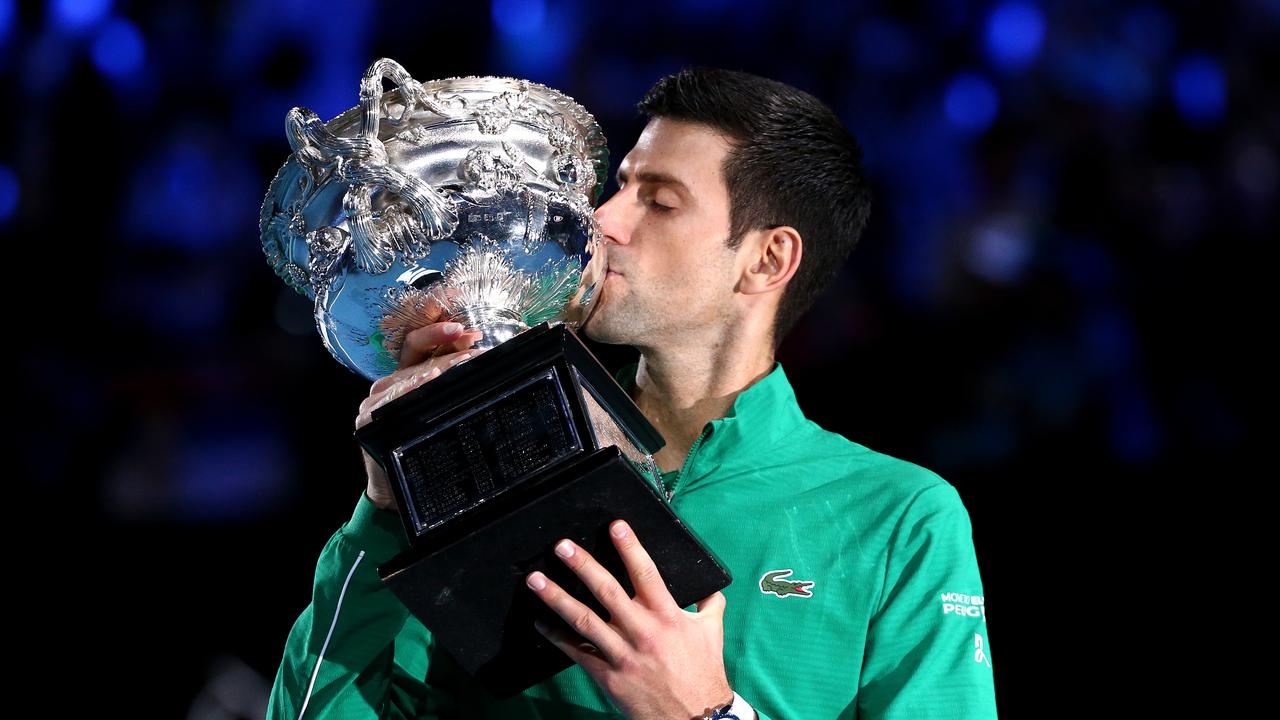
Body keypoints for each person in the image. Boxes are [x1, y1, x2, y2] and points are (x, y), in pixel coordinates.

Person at [267, 67, 998, 719]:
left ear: (766, 260)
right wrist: (383, 513)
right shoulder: (487, 470)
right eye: (619, 185)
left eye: (661, 200)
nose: (603, 221)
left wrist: (705, 714)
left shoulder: (897, 517)